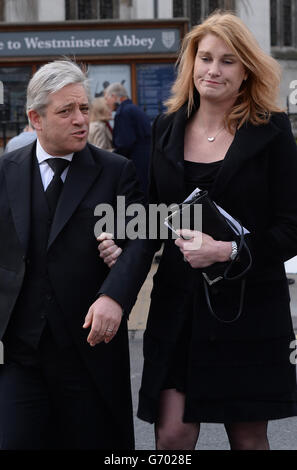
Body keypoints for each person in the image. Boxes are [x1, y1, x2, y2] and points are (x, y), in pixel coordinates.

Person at [98, 12, 297, 450]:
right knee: (171, 435)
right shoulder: (166, 127)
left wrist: (226, 250)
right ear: (191, 63)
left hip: (248, 309)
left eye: (227, 61)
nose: (213, 70)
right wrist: (122, 246)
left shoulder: (273, 130)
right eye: (204, 58)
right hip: (177, 308)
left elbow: (290, 227)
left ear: (246, 69)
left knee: (248, 439)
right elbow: (154, 212)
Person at [0, 59, 147, 450]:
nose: (81, 119)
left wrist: (114, 294)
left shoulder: (116, 172)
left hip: (90, 356)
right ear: (36, 119)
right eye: (66, 111)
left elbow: (141, 243)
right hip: (21, 355)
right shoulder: (6, 171)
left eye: (84, 107)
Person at [104, 82, 151, 198]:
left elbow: (124, 144)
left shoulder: (123, 112)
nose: (106, 102)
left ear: (114, 97)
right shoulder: (134, 109)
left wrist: (108, 158)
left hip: (136, 167)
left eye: (107, 98)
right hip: (146, 164)